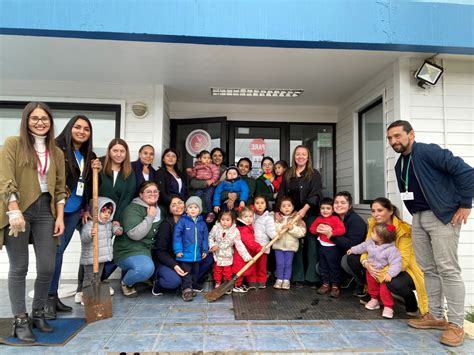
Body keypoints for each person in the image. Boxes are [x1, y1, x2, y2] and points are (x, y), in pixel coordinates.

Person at [387, 120, 474, 346]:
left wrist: (465, 204)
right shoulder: (400, 164)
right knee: (428, 268)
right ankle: (435, 316)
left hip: (442, 216)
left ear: (411, 134)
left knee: (448, 269)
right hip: (418, 217)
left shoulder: (428, 151)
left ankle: (456, 324)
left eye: (397, 136)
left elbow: (466, 172)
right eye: (390, 138)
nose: (394, 141)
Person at [0, 102, 68, 343]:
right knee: (19, 267)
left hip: (46, 210)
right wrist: (13, 210)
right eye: (35, 118)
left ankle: (38, 313)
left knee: (47, 266)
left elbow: (60, 188)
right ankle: (20, 320)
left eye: (45, 119)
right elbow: (5, 179)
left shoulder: (56, 152)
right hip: (19, 208)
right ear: (26, 120)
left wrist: (59, 217)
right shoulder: (13, 144)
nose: (40, 122)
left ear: (50, 122)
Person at [45, 114, 101, 320]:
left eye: (86, 129)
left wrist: (86, 207)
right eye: (77, 127)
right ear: (70, 128)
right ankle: (47, 299)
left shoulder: (88, 154)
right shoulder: (56, 148)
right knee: (53, 254)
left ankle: (53, 296)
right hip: (54, 210)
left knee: (58, 253)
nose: (81, 132)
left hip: (73, 211)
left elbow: (86, 185)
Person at [344, 198, 429, 318]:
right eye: (373, 211)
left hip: (404, 268)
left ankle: (410, 301)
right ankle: (374, 296)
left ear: (390, 211)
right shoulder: (373, 225)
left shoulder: (404, 231)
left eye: (380, 210)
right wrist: (366, 263)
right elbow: (366, 246)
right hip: (377, 264)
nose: (376, 214)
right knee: (351, 259)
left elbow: (403, 261)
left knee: (394, 283)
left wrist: (381, 271)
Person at [277, 145, 322, 287]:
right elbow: (282, 194)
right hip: (291, 215)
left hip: (309, 214)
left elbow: (316, 194)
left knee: (311, 244)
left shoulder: (314, 174)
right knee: (293, 245)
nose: (300, 157)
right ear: (294, 156)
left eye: (304, 154)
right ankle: (297, 277)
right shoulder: (288, 173)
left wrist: (304, 210)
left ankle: (312, 278)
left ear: (308, 157)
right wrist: (278, 211)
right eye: (298, 154)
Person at [152, 196, 213, 296]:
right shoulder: (166, 225)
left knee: (208, 258)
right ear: (170, 210)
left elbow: (203, 237)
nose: (178, 206)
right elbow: (160, 252)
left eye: (180, 203)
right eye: (173, 205)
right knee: (174, 281)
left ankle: (190, 282)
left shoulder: (196, 221)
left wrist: (205, 249)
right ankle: (158, 284)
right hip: (171, 259)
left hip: (189, 255)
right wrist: (174, 265)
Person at [114, 181, 164, 297]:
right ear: (141, 195)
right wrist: (150, 216)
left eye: (155, 191)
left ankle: (143, 278)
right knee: (145, 269)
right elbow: (135, 235)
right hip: (129, 250)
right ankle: (126, 283)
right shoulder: (132, 209)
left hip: (150, 249)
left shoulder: (161, 209)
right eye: (148, 191)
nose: (153, 194)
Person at [97, 138, 136, 282]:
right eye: (115, 151)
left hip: (116, 218)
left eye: (122, 151)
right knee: (92, 252)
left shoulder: (129, 172)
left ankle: (100, 281)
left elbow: (126, 197)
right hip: (98, 217)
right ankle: (83, 287)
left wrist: (117, 219)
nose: (119, 154)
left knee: (108, 251)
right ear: (109, 151)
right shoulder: (99, 167)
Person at [348, 223, 402, 319]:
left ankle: (388, 306)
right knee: (372, 286)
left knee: (385, 290)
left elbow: (396, 263)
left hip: (383, 273)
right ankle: (374, 299)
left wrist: (390, 273)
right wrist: (353, 250)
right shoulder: (371, 243)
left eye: (373, 232)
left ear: (380, 237)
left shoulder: (391, 249)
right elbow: (362, 247)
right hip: (371, 271)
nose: (371, 233)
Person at [323, 191, 368, 297]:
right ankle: (345, 277)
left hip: (358, 254)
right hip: (340, 251)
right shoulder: (333, 217)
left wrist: (332, 235)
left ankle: (362, 283)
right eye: (336, 202)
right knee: (320, 267)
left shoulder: (355, 221)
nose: (339, 205)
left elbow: (352, 245)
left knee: (346, 260)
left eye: (343, 202)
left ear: (350, 205)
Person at [79, 198, 118, 304]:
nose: (106, 215)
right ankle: (86, 296)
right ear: (96, 212)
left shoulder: (108, 225)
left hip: (101, 257)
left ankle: (95, 294)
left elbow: (113, 231)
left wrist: (117, 229)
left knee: (97, 277)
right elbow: (84, 238)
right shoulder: (90, 224)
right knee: (89, 277)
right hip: (91, 258)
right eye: (103, 211)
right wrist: (90, 234)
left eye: (109, 212)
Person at [173, 196, 208, 301]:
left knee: (195, 271)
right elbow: (177, 236)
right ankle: (186, 289)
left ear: (200, 210)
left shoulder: (202, 223)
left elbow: (205, 238)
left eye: (196, 207)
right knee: (186, 272)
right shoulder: (183, 221)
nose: (193, 209)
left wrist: (205, 249)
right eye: (190, 207)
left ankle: (192, 286)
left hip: (196, 254)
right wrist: (178, 250)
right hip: (185, 255)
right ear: (186, 209)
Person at [309, 197, 346, 298]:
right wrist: (317, 230)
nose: (325, 210)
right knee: (323, 266)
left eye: (328, 208)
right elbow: (312, 229)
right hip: (322, 246)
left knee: (333, 267)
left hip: (332, 248)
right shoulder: (319, 219)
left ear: (333, 210)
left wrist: (331, 232)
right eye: (323, 208)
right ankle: (325, 284)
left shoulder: (335, 219)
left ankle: (335, 286)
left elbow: (342, 230)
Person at [208, 211, 251, 292]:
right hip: (217, 255)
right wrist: (212, 245)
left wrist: (246, 256)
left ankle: (226, 284)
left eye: (228, 220)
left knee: (227, 271)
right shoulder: (215, 228)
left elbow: (239, 244)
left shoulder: (235, 231)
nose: (224, 222)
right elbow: (210, 237)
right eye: (223, 219)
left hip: (227, 255)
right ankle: (217, 282)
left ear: (233, 221)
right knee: (217, 270)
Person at [272, 197, 306, 290]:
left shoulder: (297, 219)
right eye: (283, 206)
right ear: (280, 208)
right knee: (279, 263)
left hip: (290, 247)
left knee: (288, 264)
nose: (286, 208)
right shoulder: (277, 218)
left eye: (289, 206)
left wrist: (292, 228)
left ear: (293, 207)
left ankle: (286, 280)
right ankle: (279, 279)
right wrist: (281, 226)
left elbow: (302, 233)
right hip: (278, 246)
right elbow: (272, 229)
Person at [232, 207, 262, 293]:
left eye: (250, 216)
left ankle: (239, 284)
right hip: (241, 254)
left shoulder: (247, 227)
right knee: (240, 269)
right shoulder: (244, 229)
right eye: (245, 217)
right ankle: (236, 285)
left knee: (245, 268)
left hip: (246, 252)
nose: (249, 219)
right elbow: (249, 242)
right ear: (241, 218)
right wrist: (258, 247)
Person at [186, 150, 220, 223]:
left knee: (208, 198)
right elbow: (194, 175)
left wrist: (211, 181)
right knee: (197, 197)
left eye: (208, 158)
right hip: (200, 186)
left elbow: (216, 174)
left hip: (209, 186)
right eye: (204, 158)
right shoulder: (197, 166)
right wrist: (190, 172)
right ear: (200, 159)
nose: (207, 159)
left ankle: (210, 213)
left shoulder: (212, 166)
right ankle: (195, 212)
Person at [253, 195, 277, 288]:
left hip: (263, 246)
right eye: (257, 203)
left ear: (266, 204)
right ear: (254, 205)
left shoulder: (268, 218)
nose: (259, 205)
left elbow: (270, 230)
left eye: (262, 203)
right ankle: (253, 280)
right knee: (253, 265)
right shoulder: (252, 216)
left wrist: (275, 236)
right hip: (253, 245)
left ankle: (262, 280)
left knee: (262, 265)